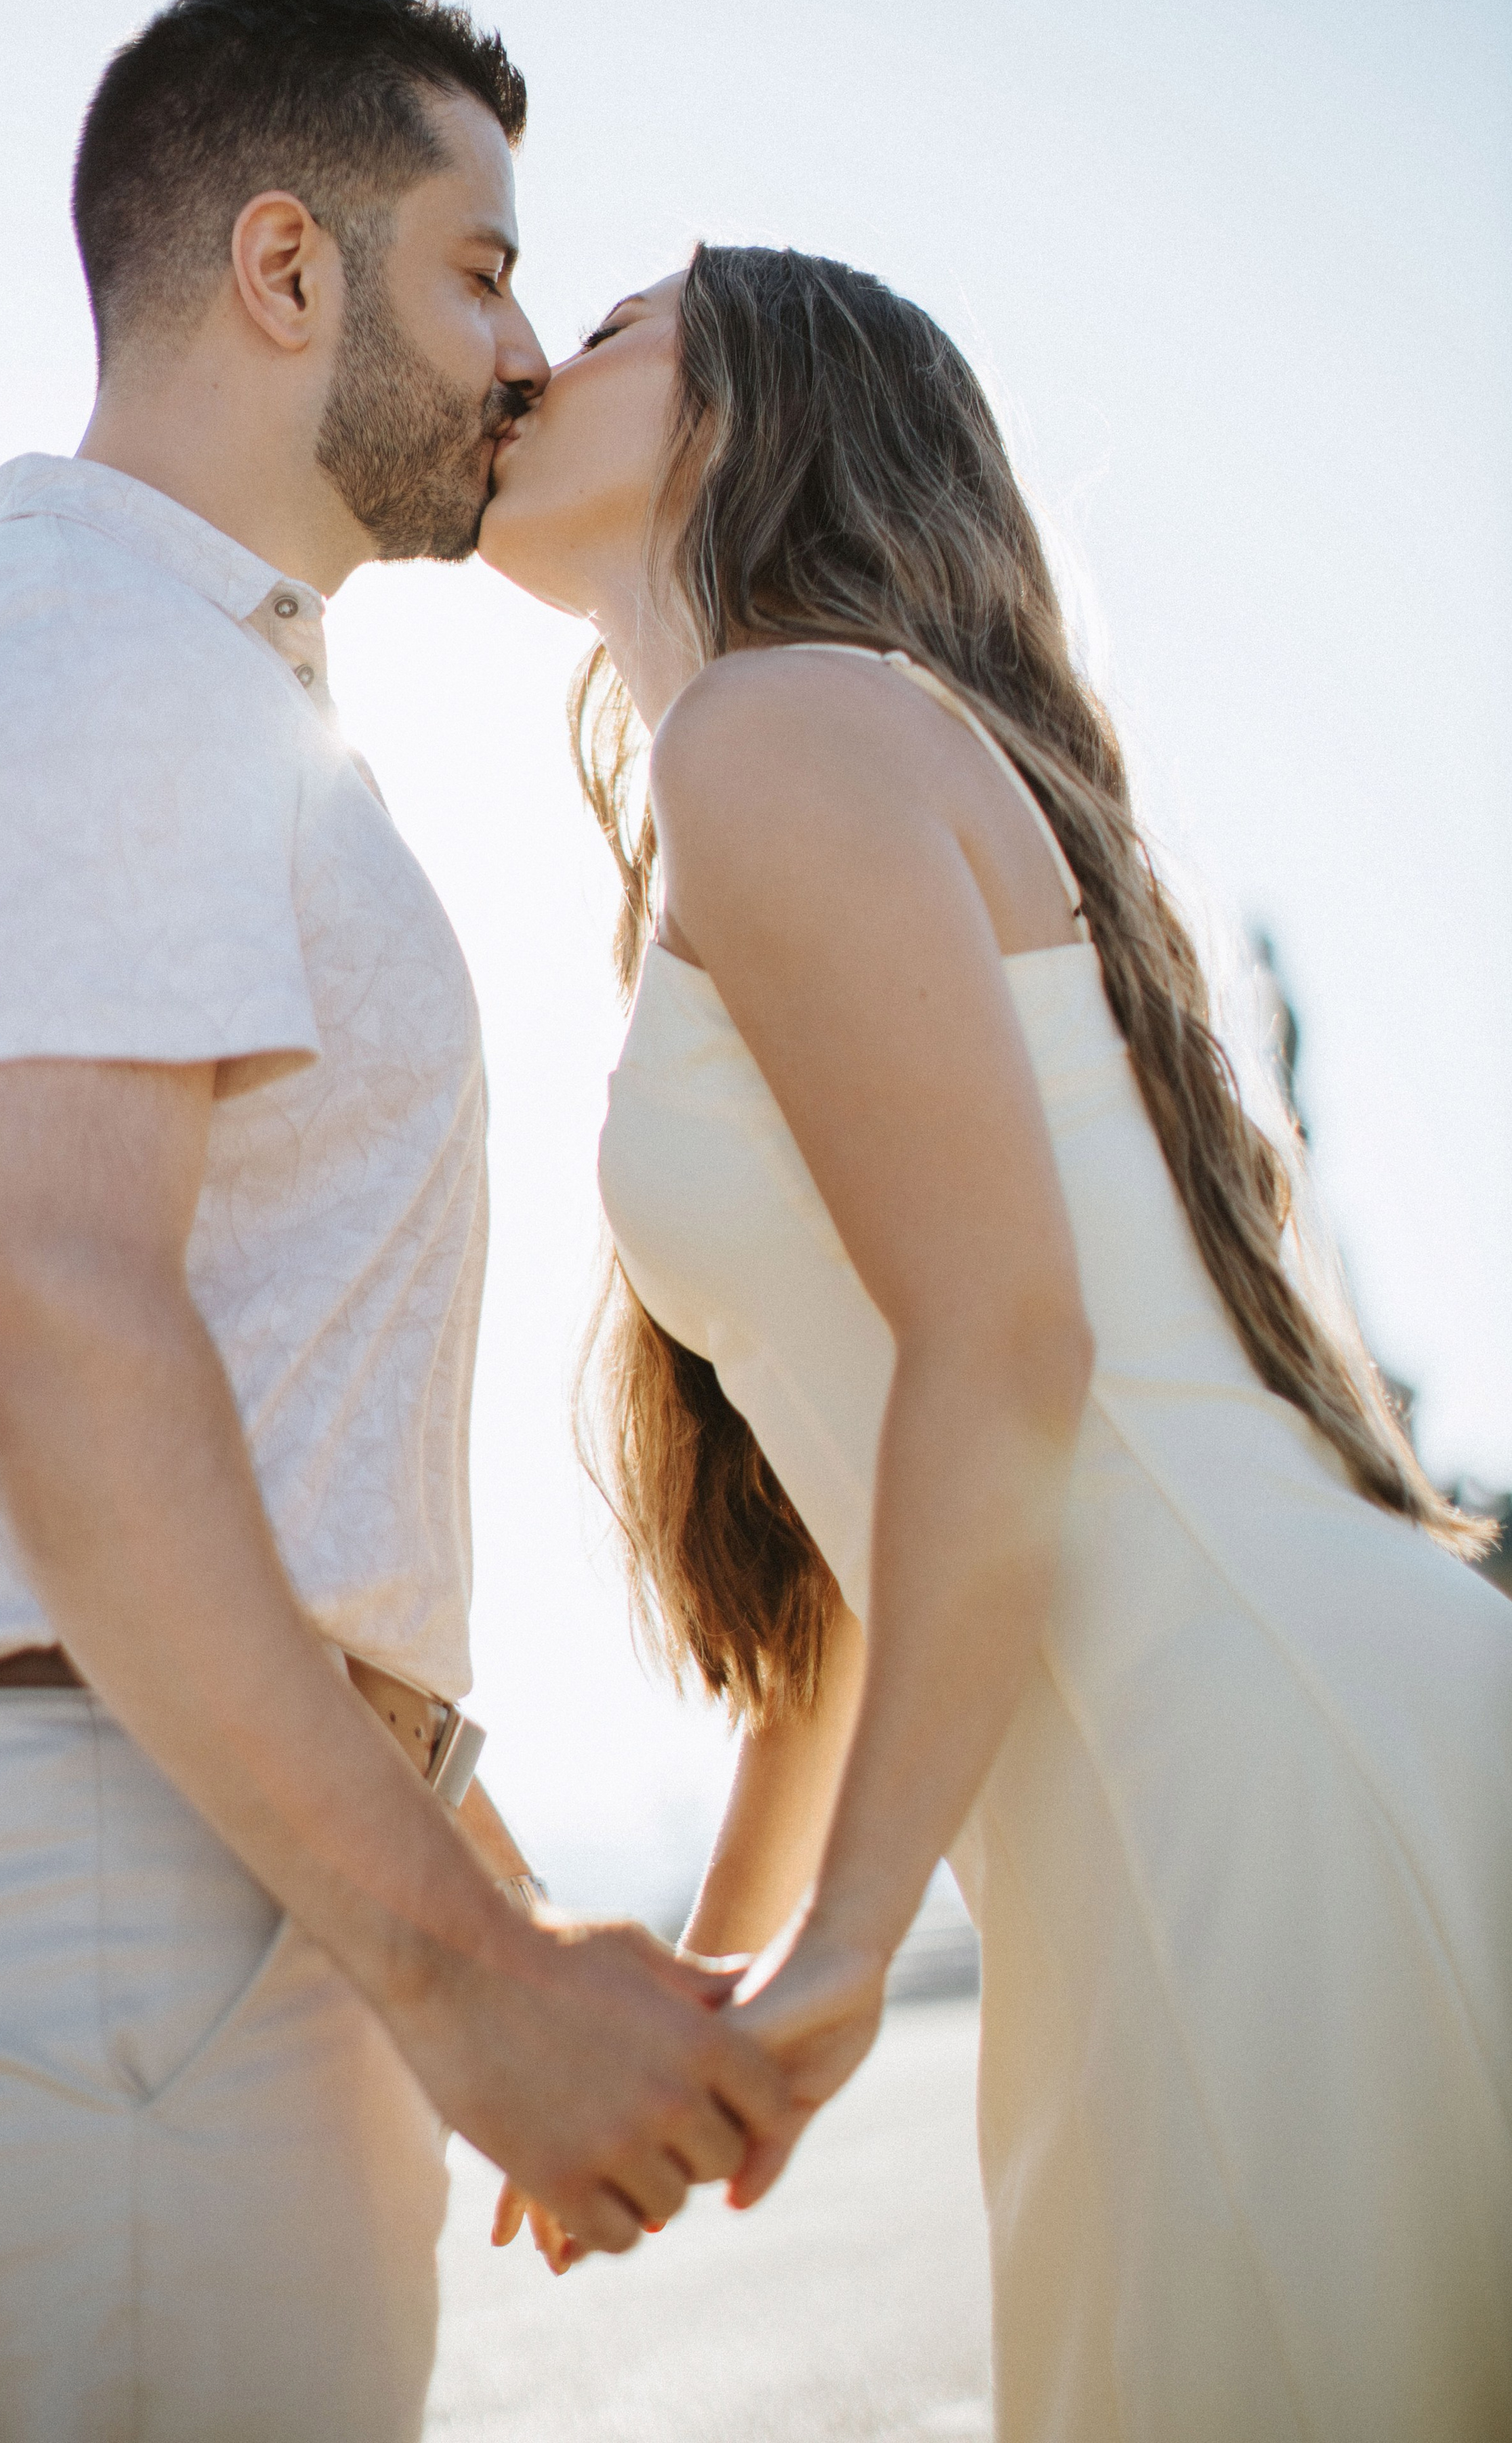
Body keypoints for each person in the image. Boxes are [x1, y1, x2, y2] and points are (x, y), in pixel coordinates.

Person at [0, 0, 786, 2443]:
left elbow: (272, 1449)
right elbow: (53, 1344)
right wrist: (470, 1988)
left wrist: (498, 1929)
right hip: (109, 1897)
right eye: (479, 268)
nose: (527, 350)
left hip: (188, 1886)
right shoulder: (85, 659)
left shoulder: (188, 683)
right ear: (283, 268)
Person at [477, 246, 1512, 2440]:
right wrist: (710, 1986)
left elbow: (1008, 1352)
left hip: (1227, 1761)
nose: (539, 354)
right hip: (1225, 1753)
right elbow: (879, 1527)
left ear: (756, 411)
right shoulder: (794, 756)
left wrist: (850, 1952)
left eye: (615, 326)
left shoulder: (784, 728)